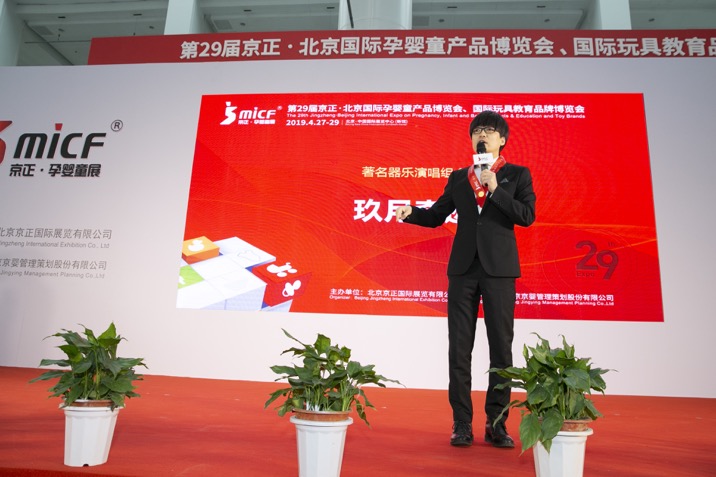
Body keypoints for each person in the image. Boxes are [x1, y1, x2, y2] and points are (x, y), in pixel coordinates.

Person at [395, 110, 536, 448]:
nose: (482, 135)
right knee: (459, 349)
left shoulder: (517, 175)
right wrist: (411, 213)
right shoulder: (459, 177)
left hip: (499, 271)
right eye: (477, 131)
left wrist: (496, 189)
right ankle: (461, 423)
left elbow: (526, 215)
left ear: (502, 139)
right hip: (463, 271)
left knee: (501, 349)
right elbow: (436, 215)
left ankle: (497, 424)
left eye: (489, 130)